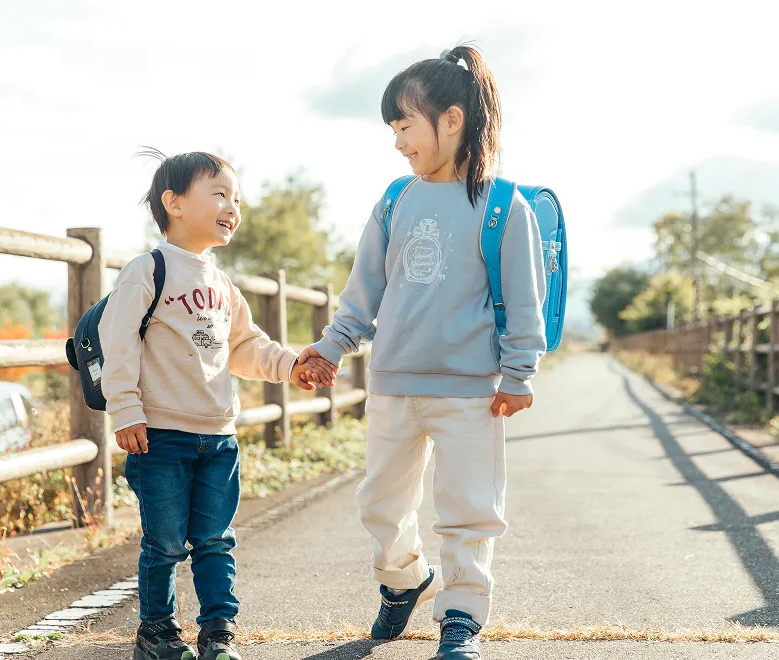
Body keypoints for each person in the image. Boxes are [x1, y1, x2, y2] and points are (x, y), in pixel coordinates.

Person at [299, 45, 547, 660]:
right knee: (380, 504)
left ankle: (461, 614)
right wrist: (331, 347)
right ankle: (405, 578)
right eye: (394, 128)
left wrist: (519, 373)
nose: (398, 141)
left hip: (471, 389)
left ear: (453, 120)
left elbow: (523, 300)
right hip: (392, 382)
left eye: (405, 125)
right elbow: (364, 291)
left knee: (468, 509)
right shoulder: (394, 200)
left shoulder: (502, 205)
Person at [101, 149, 336, 660]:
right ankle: (157, 632)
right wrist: (125, 410)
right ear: (175, 203)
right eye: (220, 194)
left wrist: (292, 364)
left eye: (237, 199)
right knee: (164, 543)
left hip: (218, 436)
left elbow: (245, 346)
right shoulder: (149, 270)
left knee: (214, 540)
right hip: (160, 434)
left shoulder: (221, 284)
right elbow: (118, 342)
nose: (233, 207)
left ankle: (218, 633)